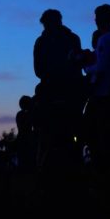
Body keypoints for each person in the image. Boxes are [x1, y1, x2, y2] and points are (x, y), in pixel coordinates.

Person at [33, 10, 85, 168]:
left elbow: (39, 70)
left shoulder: (68, 39)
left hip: (64, 93)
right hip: (58, 93)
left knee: (57, 136)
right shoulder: (44, 41)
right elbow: (39, 70)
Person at [83, 4, 110, 167]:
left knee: (97, 136)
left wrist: (86, 68)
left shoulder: (105, 39)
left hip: (102, 94)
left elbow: (100, 67)